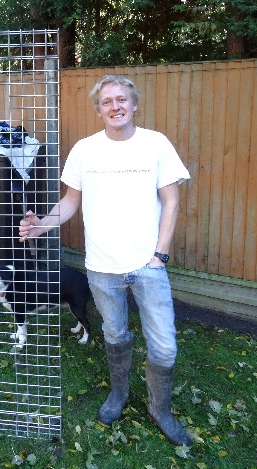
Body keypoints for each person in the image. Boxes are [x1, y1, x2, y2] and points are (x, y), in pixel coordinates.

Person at [19, 74, 193, 447]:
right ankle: (119, 394)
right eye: (107, 101)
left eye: (122, 99)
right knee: (115, 334)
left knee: (164, 345)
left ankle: (160, 409)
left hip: (149, 266)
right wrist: (41, 225)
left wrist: (160, 254)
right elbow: (70, 202)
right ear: (98, 109)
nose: (115, 106)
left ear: (134, 104)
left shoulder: (155, 144)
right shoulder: (85, 150)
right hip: (101, 268)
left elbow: (171, 200)